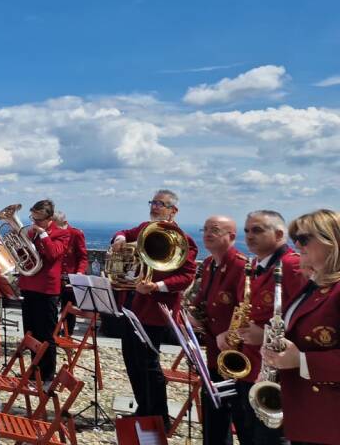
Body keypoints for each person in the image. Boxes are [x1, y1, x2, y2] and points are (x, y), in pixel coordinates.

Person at [110, 189, 198, 426]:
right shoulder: (143, 228)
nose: (155, 207)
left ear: (174, 210)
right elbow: (123, 232)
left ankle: (158, 417)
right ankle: (143, 408)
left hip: (157, 308)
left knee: (149, 364)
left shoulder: (182, 238)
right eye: (153, 202)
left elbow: (187, 276)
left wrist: (157, 285)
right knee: (132, 359)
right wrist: (119, 239)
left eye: (161, 204)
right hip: (134, 305)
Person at [261, 209, 340, 445]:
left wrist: (301, 361)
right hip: (304, 417)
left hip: (329, 423)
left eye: (304, 238)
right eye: (295, 237)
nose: (296, 243)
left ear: (331, 241)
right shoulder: (312, 287)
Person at [227, 211, 305, 444]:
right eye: (247, 231)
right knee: (247, 432)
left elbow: (304, 317)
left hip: (273, 373)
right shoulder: (254, 265)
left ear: (279, 234)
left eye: (258, 230)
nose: (249, 236)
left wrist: (264, 336)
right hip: (250, 368)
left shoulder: (291, 266)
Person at [192, 215, 246, 445]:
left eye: (214, 229)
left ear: (231, 236)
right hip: (214, 350)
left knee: (232, 412)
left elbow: (248, 309)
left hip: (235, 355)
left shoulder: (241, 266)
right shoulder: (207, 264)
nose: (207, 233)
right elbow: (204, 301)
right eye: (205, 229)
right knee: (213, 408)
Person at [16, 200, 69, 384]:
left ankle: (47, 376)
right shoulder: (30, 233)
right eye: (33, 218)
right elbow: (23, 256)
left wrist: (44, 235)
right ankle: (34, 371)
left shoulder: (61, 234)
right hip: (29, 286)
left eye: (38, 219)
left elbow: (54, 254)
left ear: (49, 219)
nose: (34, 222)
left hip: (47, 291)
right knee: (30, 333)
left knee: (46, 335)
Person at [53, 211, 89, 334]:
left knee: (69, 310)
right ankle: (52, 333)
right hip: (55, 279)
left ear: (65, 223)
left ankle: (67, 335)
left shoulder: (76, 234)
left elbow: (83, 257)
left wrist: (79, 273)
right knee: (51, 308)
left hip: (70, 279)